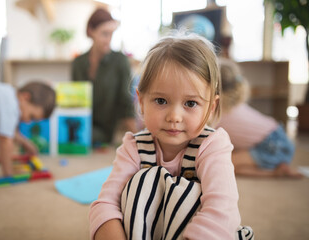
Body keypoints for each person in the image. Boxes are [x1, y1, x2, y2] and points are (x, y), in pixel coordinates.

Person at [89, 35, 253, 240]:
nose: (174, 117)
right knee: (142, 181)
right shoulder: (134, 147)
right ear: (141, 102)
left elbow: (222, 211)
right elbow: (105, 205)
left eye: (190, 103)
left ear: (211, 108)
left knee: (193, 193)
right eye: (161, 100)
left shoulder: (213, 145)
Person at [215, 58, 303, 178]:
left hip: (273, 145)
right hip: (278, 138)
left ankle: (275, 172)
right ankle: (273, 166)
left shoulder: (219, 112)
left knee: (219, 164)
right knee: (225, 160)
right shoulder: (232, 103)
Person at [71, 8, 137, 145]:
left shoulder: (120, 60)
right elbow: (74, 100)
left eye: (111, 34)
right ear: (91, 32)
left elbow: (125, 100)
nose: (108, 40)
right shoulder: (78, 63)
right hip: (80, 124)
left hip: (106, 130)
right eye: (104, 34)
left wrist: (138, 139)